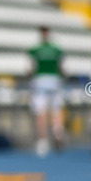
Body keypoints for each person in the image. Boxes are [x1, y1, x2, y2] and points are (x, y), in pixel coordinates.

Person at [28, 26, 65, 156]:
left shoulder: (35, 50)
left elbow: (32, 68)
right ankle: (58, 134)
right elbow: (61, 68)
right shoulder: (56, 50)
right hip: (54, 80)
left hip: (40, 80)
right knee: (56, 109)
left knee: (41, 111)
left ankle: (43, 141)